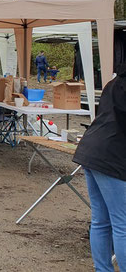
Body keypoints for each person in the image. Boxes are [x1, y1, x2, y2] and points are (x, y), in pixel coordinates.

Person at [72, 64, 126, 272]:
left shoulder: (113, 84)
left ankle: (103, 269)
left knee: (101, 220)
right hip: (110, 156)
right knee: (122, 224)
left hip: (91, 150)